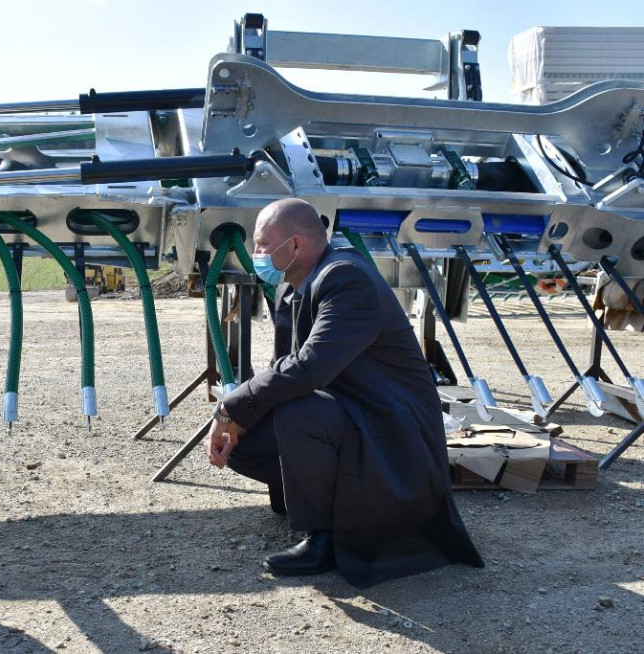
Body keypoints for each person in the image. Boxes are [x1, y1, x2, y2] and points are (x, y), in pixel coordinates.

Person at [205, 198, 483, 588]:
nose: (256, 255)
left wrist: (232, 404)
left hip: (393, 429)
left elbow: (309, 367)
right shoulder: (294, 286)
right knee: (246, 436)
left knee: (298, 411)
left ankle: (325, 539)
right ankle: (315, 504)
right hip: (355, 414)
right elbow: (282, 367)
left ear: (296, 245)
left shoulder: (346, 279)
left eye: (263, 246)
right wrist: (235, 415)